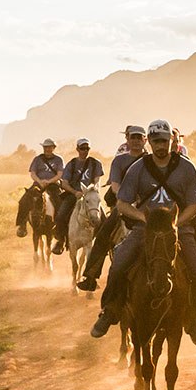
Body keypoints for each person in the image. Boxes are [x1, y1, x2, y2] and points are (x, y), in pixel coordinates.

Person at [89, 119, 196, 349]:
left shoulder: (186, 167)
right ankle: (110, 312)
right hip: (144, 229)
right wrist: (143, 218)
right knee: (118, 266)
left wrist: (176, 224)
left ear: (171, 141)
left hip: (179, 229)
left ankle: (194, 322)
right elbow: (123, 204)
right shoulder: (138, 169)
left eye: (164, 141)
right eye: (156, 141)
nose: (160, 145)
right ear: (150, 142)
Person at [77, 125, 146, 292]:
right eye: (133, 137)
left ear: (145, 140)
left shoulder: (151, 159)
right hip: (124, 204)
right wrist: (128, 198)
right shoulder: (119, 161)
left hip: (148, 205)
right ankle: (91, 276)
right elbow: (115, 186)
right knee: (104, 233)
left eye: (139, 138)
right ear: (127, 139)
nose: (136, 141)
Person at [52, 138, 105, 254]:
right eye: (82, 148)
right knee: (60, 216)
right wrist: (75, 192)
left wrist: (90, 189)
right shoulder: (72, 164)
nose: (85, 151)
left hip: (90, 195)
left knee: (104, 219)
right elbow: (64, 183)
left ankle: (104, 245)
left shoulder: (96, 163)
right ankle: (61, 241)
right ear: (77, 149)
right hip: (74, 194)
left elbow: (97, 181)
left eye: (87, 148)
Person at [14, 138, 63, 237]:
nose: (47, 149)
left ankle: (59, 227)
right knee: (24, 200)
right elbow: (33, 174)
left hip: (54, 184)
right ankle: (22, 225)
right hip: (38, 184)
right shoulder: (37, 159)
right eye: (45, 147)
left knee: (60, 202)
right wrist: (40, 182)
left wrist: (48, 181)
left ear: (53, 148)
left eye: (49, 147)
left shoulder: (58, 159)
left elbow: (60, 174)